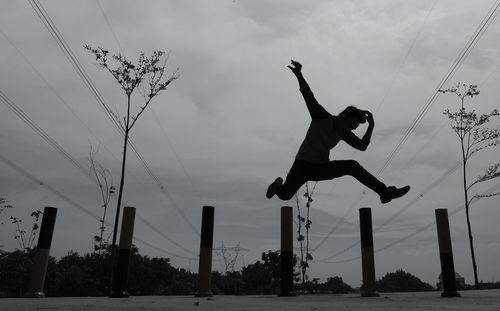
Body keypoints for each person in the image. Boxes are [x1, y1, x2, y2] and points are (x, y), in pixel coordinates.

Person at [266, 60, 410, 203]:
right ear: (343, 116)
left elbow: (362, 146)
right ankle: (278, 184)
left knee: (352, 166)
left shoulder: (343, 133)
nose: (350, 130)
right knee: (285, 195)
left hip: (320, 167)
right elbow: (307, 94)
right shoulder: (320, 116)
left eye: (353, 129)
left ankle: (385, 192)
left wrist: (371, 126)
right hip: (302, 165)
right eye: (351, 125)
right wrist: (299, 74)